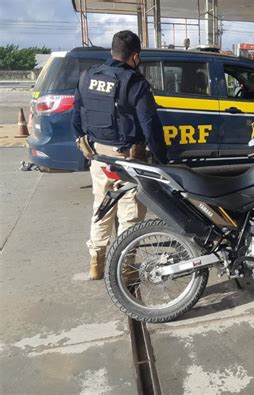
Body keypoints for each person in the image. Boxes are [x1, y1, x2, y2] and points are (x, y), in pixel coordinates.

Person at [72, 30, 167, 280]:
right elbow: (149, 124)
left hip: (99, 157)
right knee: (130, 215)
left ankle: (96, 263)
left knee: (101, 208)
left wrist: (88, 144)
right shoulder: (133, 82)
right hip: (127, 159)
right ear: (135, 56)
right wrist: (162, 159)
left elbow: (76, 117)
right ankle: (126, 270)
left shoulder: (87, 77)